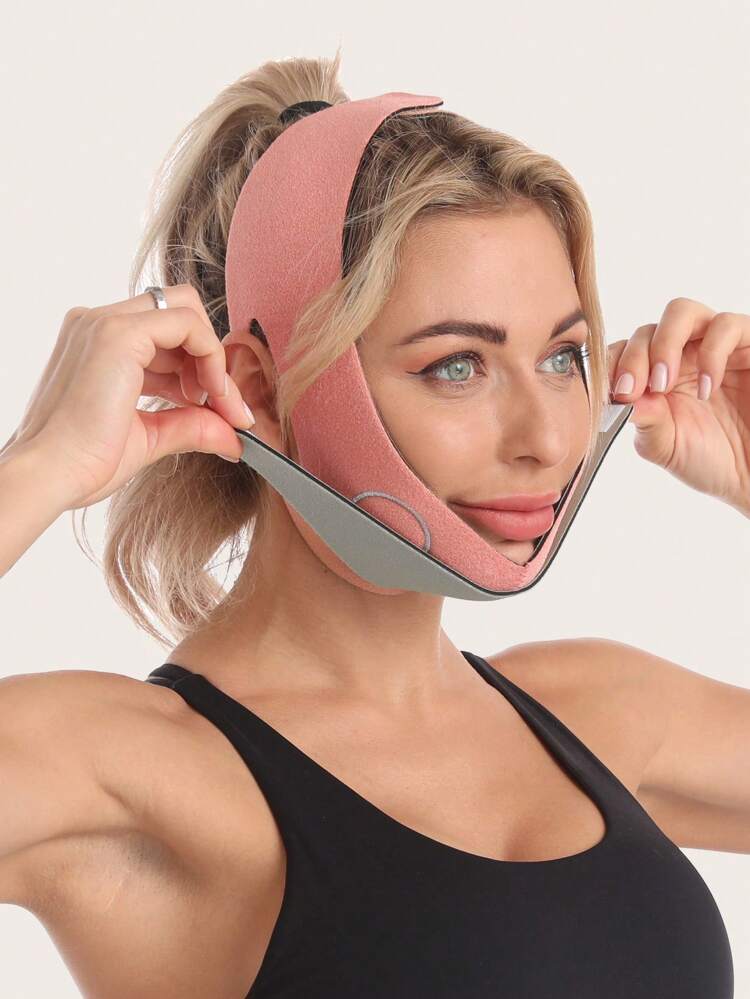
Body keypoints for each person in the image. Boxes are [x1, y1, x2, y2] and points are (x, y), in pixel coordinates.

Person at [0, 50, 744, 998]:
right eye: (457, 366)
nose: (547, 439)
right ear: (262, 392)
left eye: (562, 357)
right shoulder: (132, 771)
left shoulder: (598, 710)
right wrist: (39, 466)